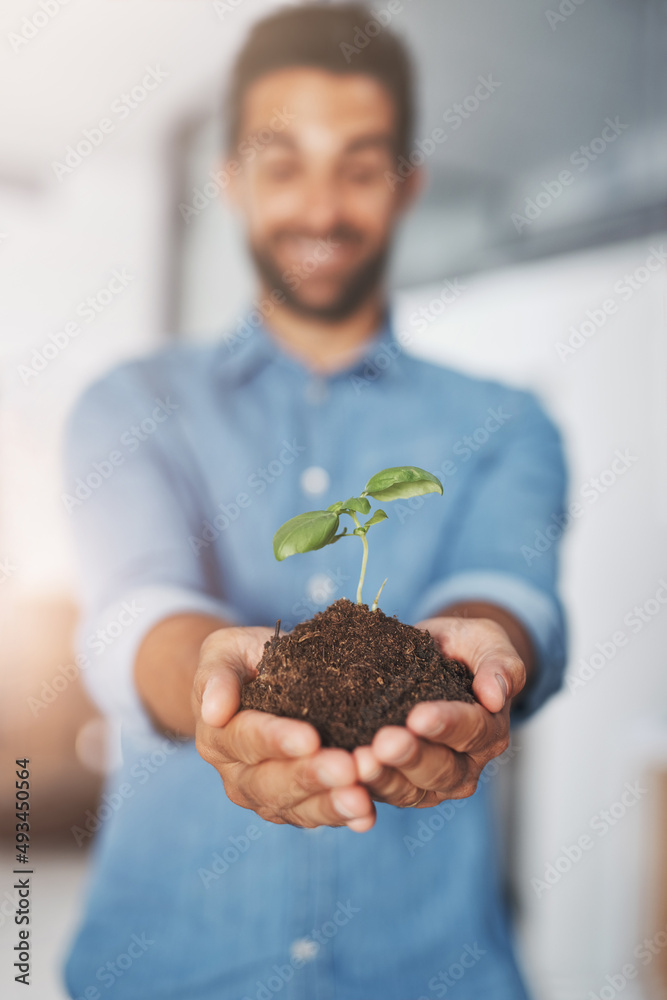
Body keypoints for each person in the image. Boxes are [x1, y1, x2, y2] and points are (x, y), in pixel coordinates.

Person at [63, 5, 567, 998]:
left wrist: (486, 651)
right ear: (232, 181)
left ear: (408, 186)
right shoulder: (129, 405)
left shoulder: (507, 423)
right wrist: (210, 682)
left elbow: (507, 592)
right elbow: (132, 603)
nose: (322, 207)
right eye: (283, 162)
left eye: (361, 165)